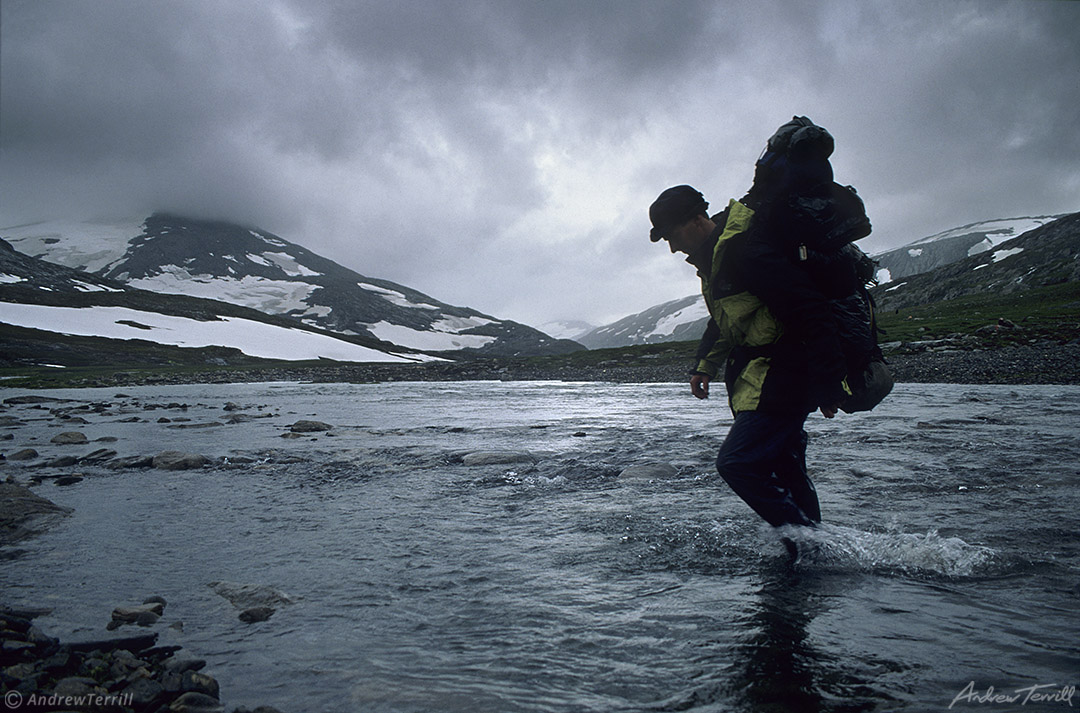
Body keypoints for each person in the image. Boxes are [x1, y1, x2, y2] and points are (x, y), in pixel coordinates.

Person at [648, 170, 851, 531]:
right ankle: (807, 556)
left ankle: (813, 546)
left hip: (784, 375)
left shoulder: (746, 250)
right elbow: (727, 318)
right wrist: (704, 366)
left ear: (697, 220)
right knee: (787, 470)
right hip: (768, 376)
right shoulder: (717, 257)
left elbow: (811, 309)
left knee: (737, 463)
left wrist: (829, 381)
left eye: (672, 235)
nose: (673, 247)